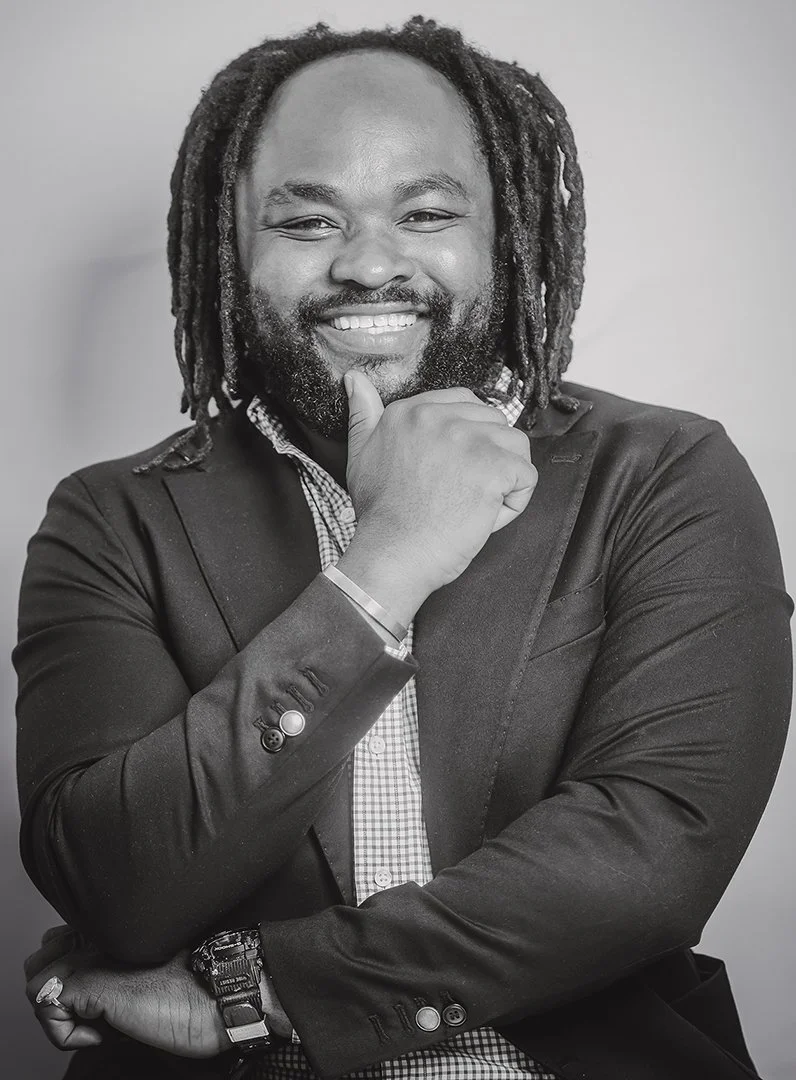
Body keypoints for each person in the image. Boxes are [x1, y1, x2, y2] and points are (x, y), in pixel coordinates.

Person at [16, 16, 792, 1080]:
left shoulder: (662, 474)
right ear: (231, 244)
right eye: (305, 221)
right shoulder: (113, 518)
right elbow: (113, 880)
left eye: (425, 213)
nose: (370, 262)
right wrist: (386, 563)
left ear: (502, 235)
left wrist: (256, 994)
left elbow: (651, 856)